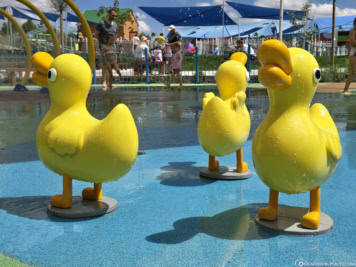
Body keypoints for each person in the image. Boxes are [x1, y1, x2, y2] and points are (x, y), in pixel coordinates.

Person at [95, 8, 118, 91]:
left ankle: (109, 83)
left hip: (112, 47)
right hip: (103, 46)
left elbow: (115, 35)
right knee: (105, 64)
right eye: (113, 15)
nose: (114, 17)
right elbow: (96, 34)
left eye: (115, 15)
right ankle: (104, 81)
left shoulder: (115, 25)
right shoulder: (101, 23)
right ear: (108, 14)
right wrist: (101, 44)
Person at [343, 17, 356, 95]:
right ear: (355, 23)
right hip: (354, 53)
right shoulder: (352, 31)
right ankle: (345, 89)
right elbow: (353, 43)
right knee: (353, 72)